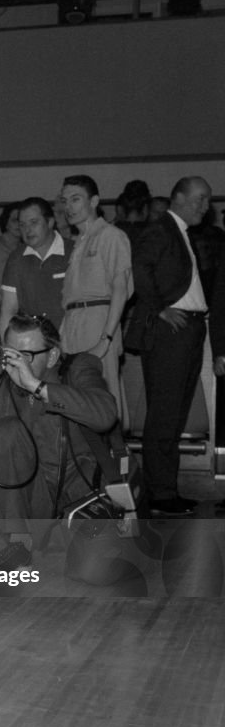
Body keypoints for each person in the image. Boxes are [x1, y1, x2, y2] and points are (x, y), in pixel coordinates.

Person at [0, 314, 117, 570]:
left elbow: (105, 415)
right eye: (10, 353)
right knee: (5, 433)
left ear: (52, 356)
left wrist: (36, 386)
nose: (15, 362)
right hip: (32, 504)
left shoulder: (78, 368)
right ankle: (19, 545)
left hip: (81, 500)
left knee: (96, 572)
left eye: (26, 355)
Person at [124, 176, 212, 515]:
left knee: (174, 415)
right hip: (170, 332)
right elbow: (139, 267)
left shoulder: (179, 232)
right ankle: (160, 493)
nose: (206, 206)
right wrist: (159, 308)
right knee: (164, 414)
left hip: (188, 329)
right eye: (200, 199)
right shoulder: (161, 229)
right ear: (178, 198)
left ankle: (167, 488)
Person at [59, 174, 132, 414]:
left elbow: (120, 289)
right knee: (76, 400)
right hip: (73, 325)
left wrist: (106, 339)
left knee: (102, 399)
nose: (69, 207)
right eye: (65, 201)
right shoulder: (78, 241)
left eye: (76, 199)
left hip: (98, 323)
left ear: (94, 201)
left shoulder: (110, 235)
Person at [0, 197, 71, 336]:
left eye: (33, 222)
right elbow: (8, 310)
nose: (28, 230)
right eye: (22, 225)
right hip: (33, 342)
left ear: (50, 222)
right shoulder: (16, 257)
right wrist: (7, 346)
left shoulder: (73, 252)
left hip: (73, 337)